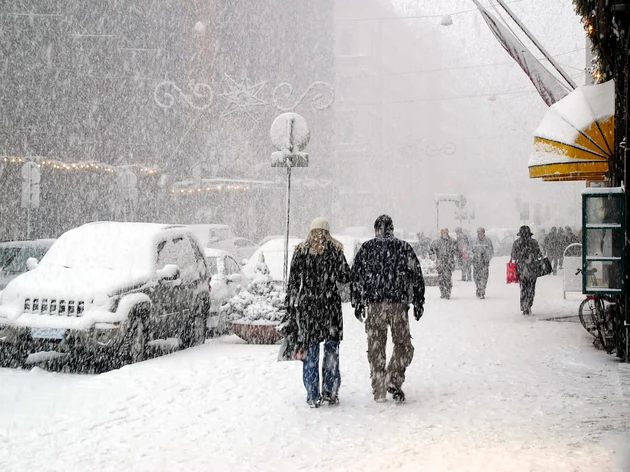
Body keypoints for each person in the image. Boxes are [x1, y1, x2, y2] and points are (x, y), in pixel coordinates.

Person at [351, 215, 425, 403]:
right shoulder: (403, 248)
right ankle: (393, 377)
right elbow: (416, 275)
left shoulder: (367, 249)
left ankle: (379, 388)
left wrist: (358, 301)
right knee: (403, 345)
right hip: (398, 305)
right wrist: (418, 300)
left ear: (376, 229)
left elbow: (355, 277)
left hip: (375, 306)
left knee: (376, 348)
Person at [285, 217, 351, 408]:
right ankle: (330, 392)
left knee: (311, 352)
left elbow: (294, 282)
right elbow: (345, 276)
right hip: (330, 307)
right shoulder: (335, 251)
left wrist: (291, 305)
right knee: (331, 351)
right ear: (328, 231)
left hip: (309, 308)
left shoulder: (301, 251)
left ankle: (312, 395)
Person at [510, 225, 543, 316]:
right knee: (531, 288)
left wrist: (520, 257)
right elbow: (539, 254)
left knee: (523, 288)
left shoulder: (516, 243)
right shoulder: (534, 242)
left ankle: (524, 306)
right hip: (532, 268)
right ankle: (528, 304)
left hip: (521, 269)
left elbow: (513, 255)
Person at [430, 228, 458, 299]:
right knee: (441, 279)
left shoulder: (452, 241)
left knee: (448, 278)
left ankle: (448, 292)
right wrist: (432, 255)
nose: (444, 233)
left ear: (448, 232)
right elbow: (431, 250)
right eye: (443, 232)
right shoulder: (437, 242)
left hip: (449, 263)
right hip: (440, 263)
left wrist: (456, 257)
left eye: (445, 232)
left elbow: (457, 250)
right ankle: (443, 292)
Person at [470, 227, 494, 299]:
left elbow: (491, 251)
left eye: (481, 232)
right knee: (476, 277)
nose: (479, 234)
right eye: (478, 232)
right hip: (476, 263)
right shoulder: (474, 241)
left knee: (484, 278)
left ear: (484, 233)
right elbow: (470, 251)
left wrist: (487, 258)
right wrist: (472, 258)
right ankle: (478, 287)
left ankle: (482, 291)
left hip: (484, 263)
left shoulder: (488, 241)